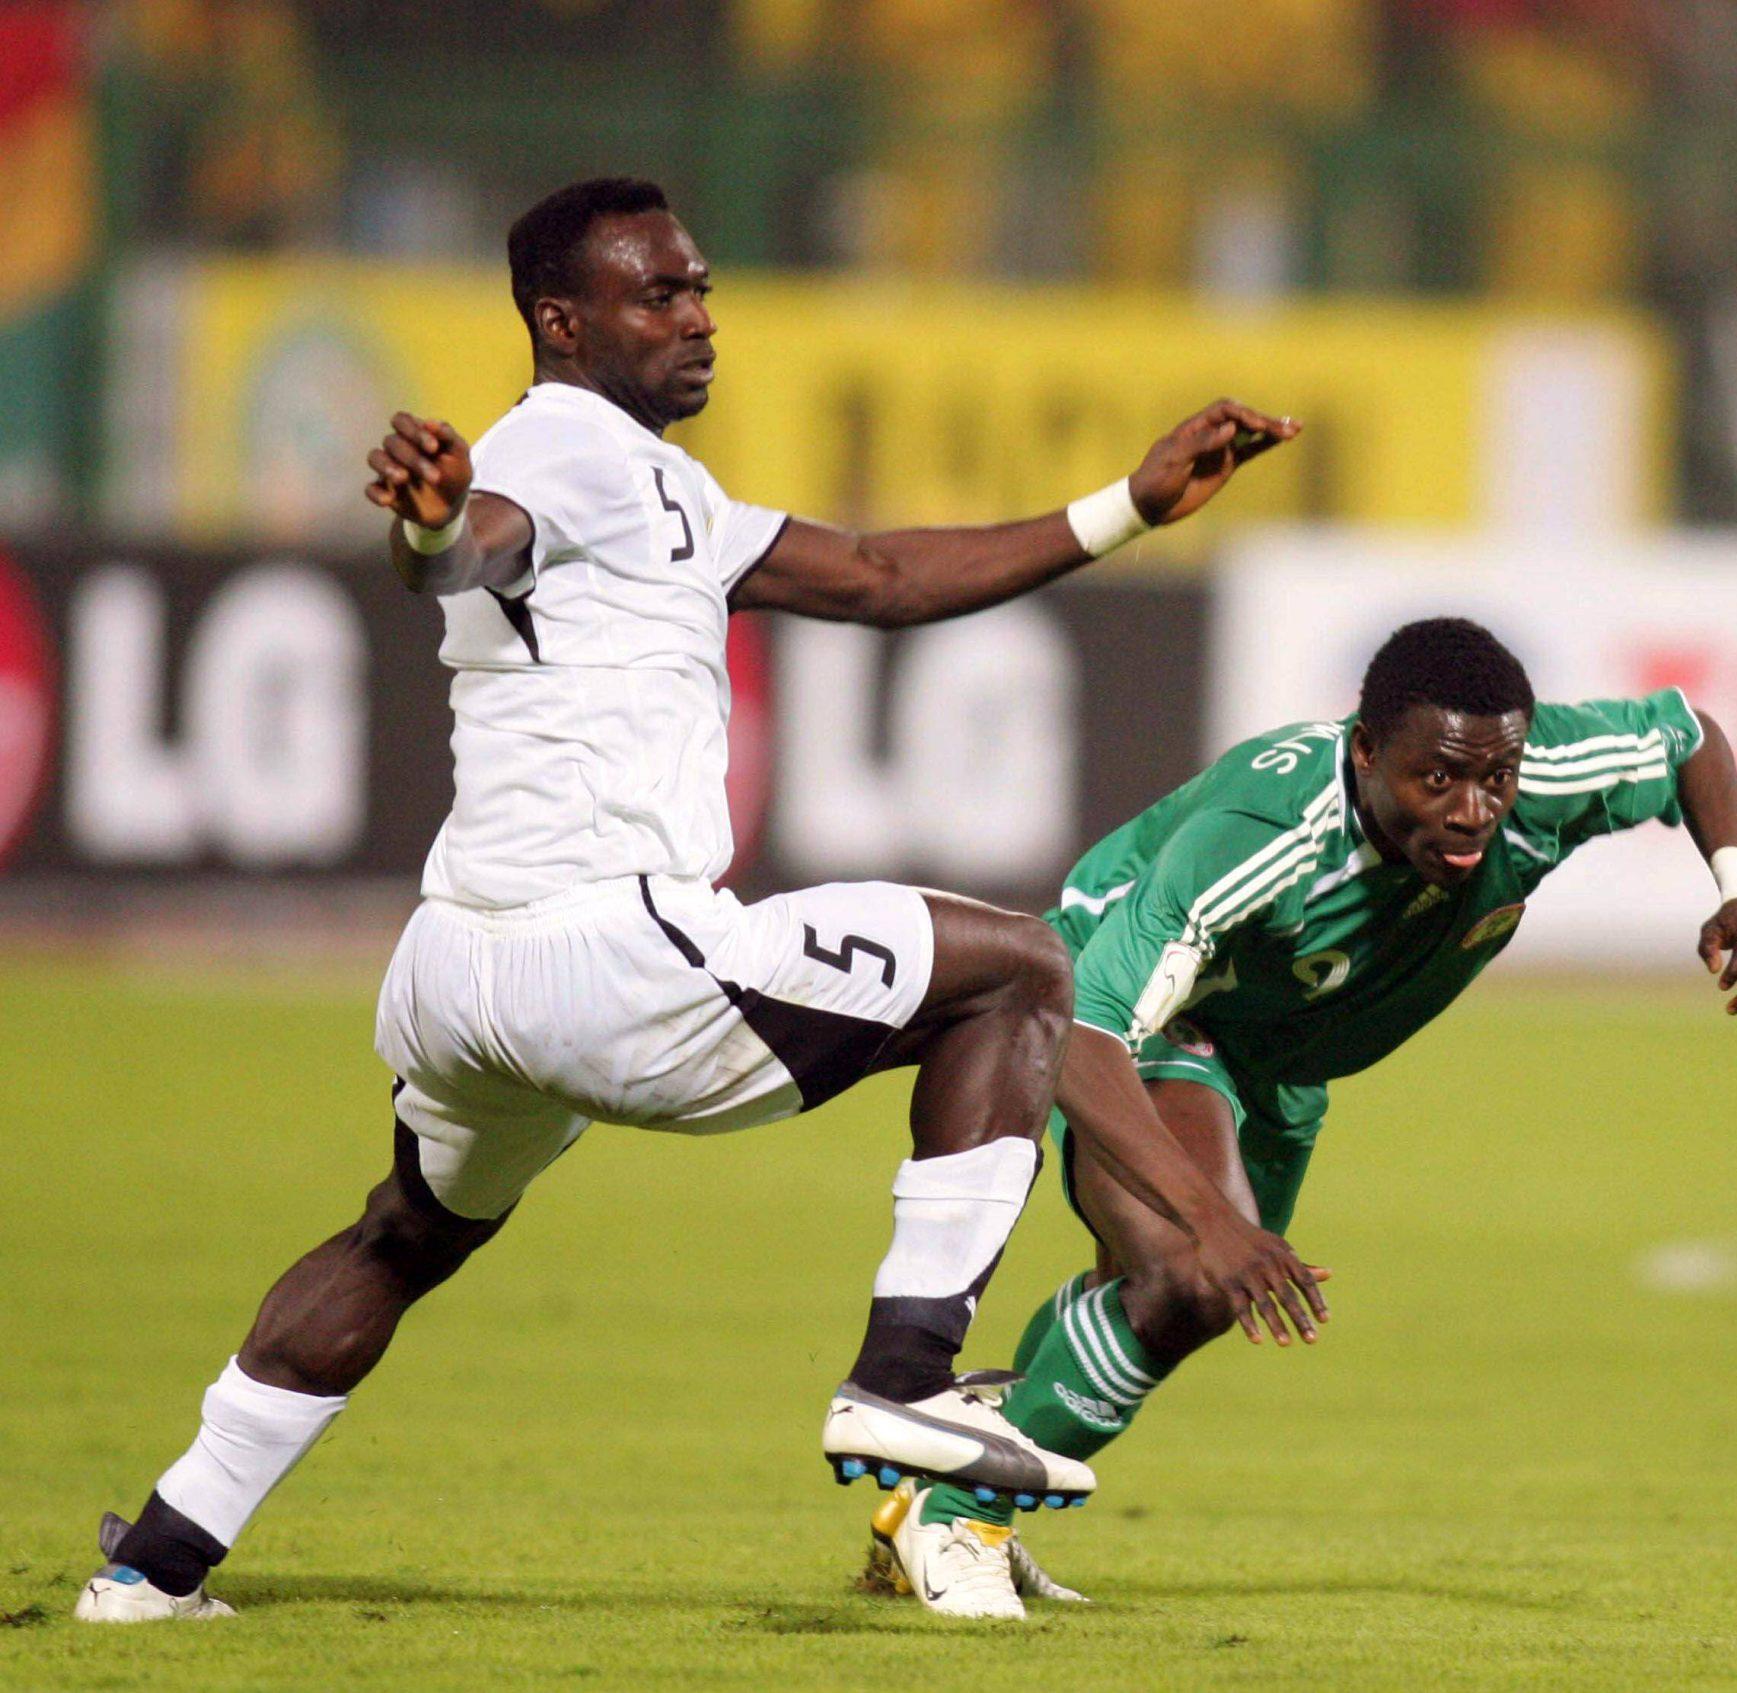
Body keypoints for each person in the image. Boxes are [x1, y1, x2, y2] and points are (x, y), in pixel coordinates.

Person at [76, 176, 1323, 1623]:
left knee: (402, 1234)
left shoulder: (660, 484)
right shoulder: (564, 445)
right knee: (1029, 969)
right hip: (609, 949)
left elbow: (872, 574)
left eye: (701, 288)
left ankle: (155, 1566)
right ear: (563, 320)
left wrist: (1127, 506)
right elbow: (475, 538)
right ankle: (906, 1382)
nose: (698, 320)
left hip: (459, 964)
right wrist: (425, 532)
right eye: (659, 295)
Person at [863, 615, 1737, 1617]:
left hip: (1285, 1060)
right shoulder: (1271, 833)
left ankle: (945, 1476)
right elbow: (1084, 1027)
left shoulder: (1544, 771)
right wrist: (1214, 1221)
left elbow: (1687, 737)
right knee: (1190, 1270)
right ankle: (961, 1513)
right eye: (1435, 779)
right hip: (1144, 1019)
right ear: (1364, 750)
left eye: (1495, 778)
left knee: (1154, 1303)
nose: (1473, 808)